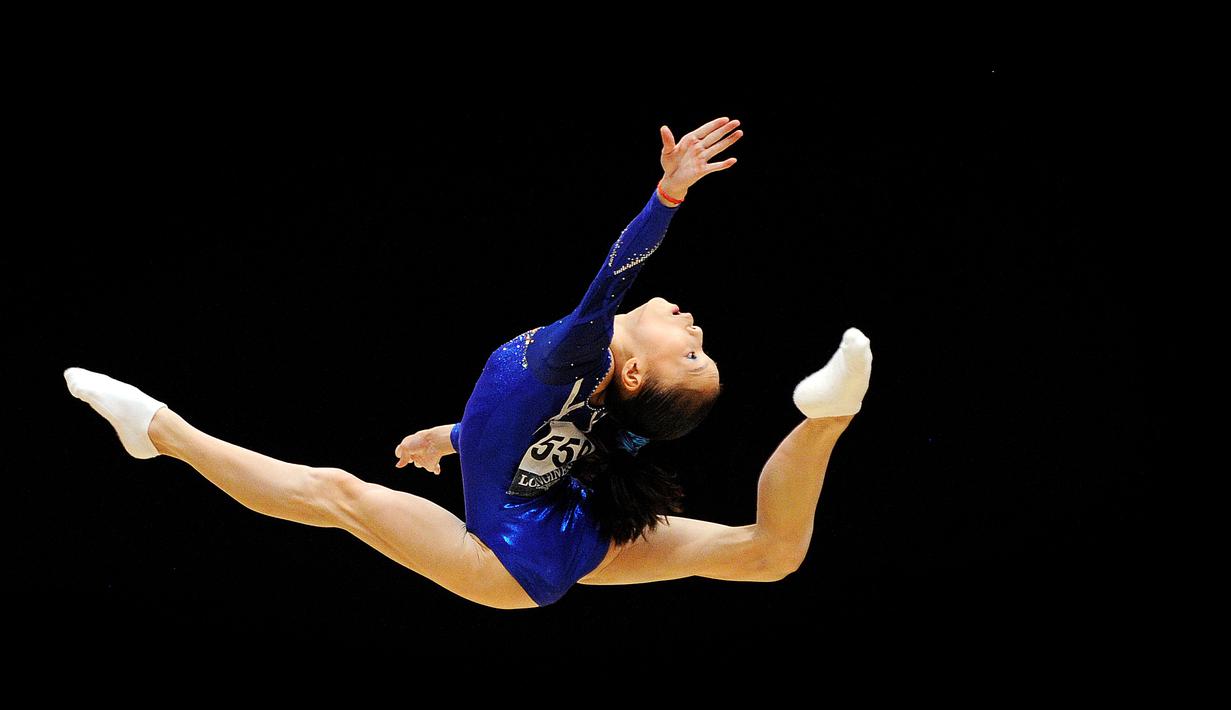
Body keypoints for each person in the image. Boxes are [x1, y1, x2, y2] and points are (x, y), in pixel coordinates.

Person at [63, 116, 873, 610]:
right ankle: (830, 413)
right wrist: (453, 437)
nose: (692, 323)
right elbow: (534, 441)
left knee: (336, 493)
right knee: (770, 555)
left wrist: (665, 197)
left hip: (505, 563)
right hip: (578, 531)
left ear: (631, 371)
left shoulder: (578, 352)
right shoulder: (585, 395)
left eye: (691, 352)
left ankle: (158, 429)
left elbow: (614, 273)